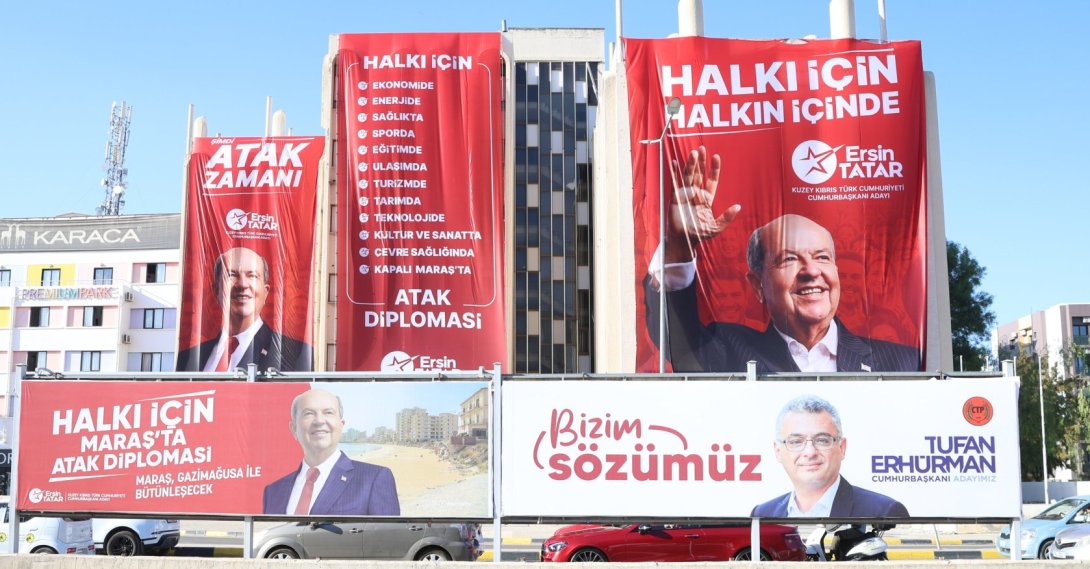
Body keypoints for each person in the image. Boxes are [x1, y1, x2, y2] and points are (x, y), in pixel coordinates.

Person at [645, 145, 919, 373]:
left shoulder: (900, 362)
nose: (811, 270)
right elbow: (677, 344)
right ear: (757, 285)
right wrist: (679, 246)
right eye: (789, 259)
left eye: (822, 257)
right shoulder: (724, 350)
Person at [751, 394, 908, 518]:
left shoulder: (884, 512)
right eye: (796, 441)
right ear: (778, 451)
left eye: (822, 440)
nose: (810, 452)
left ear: (842, 447)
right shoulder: (762, 515)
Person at [263, 388, 400, 515]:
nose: (319, 421)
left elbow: (388, 533)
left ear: (341, 425)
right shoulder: (273, 492)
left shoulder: (374, 479)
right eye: (308, 413)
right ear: (293, 428)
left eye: (328, 412)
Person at [176, 246, 312, 372]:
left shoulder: (295, 354)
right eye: (231, 275)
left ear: (265, 292)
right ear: (216, 290)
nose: (242, 284)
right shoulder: (188, 358)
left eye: (252, 276)